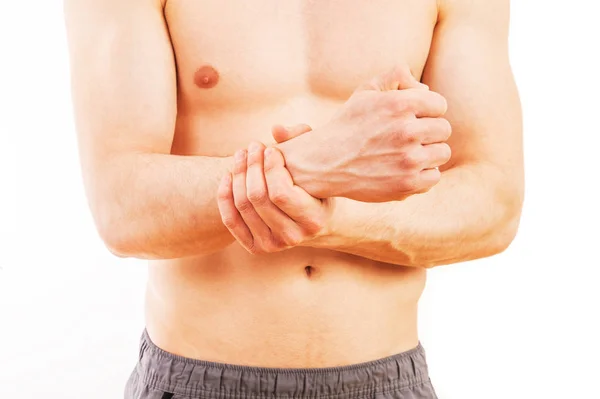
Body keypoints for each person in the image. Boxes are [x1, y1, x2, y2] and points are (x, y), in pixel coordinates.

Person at [64, 0, 523, 397]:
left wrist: (327, 218)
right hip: (196, 380)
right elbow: (121, 208)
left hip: (389, 380)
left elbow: (493, 205)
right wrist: (316, 160)